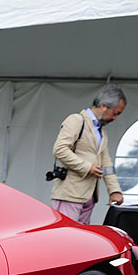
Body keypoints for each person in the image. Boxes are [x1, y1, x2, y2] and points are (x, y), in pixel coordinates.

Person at [50, 84, 126, 224]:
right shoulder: (76, 120)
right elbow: (60, 149)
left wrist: (114, 190)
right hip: (70, 194)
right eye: (115, 113)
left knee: (81, 240)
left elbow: (107, 164)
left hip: (89, 196)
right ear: (103, 106)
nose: (115, 118)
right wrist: (87, 167)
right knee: (67, 237)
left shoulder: (101, 131)